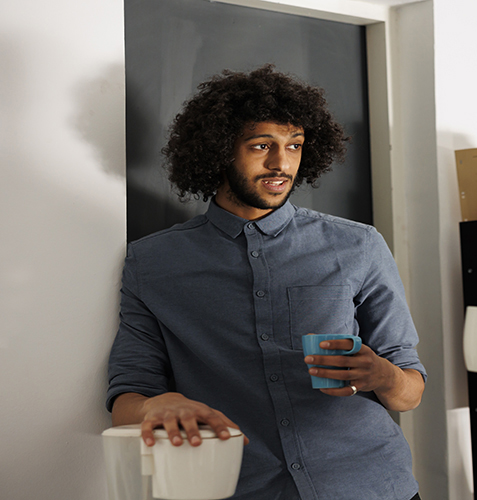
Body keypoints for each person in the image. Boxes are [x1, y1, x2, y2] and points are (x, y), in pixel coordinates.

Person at [107, 66, 426, 500]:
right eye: (262, 146)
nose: (282, 163)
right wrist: (154, 405)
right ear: (219, 150)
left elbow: (409, 392)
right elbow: (128, 397)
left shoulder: (359, 245)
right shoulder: (153, 263)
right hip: (237, 486)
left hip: (369, 484)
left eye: (294, 146)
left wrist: (383, 374)